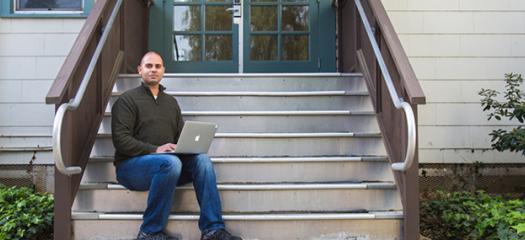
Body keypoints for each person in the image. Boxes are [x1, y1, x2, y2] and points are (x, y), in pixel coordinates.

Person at [111, 51, 242, 240]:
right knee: (169, 163)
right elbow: (120, 140)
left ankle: (212, 229)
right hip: (132, 168)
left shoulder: (171, 103)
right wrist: (155, 150)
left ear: (163, 70)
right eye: (149, 66)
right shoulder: (127, 100)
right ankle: (149, 232)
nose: (153, 70)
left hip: (169, 167)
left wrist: (190, 146)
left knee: (202, 161)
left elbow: (180, 137)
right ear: (140, 70)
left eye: (158, 66)